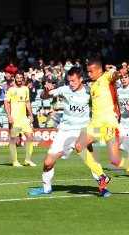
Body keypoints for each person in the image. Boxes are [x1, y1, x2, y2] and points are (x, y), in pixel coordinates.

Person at [28, 66, 111, 197]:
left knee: (92, 162)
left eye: (73, 81)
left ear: (81, 79)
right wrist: (45, 90)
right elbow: (44, 96)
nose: (71, 84)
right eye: (69, 81)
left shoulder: (89, 92)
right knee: (48, 162)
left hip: (83, 131)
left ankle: (103, 188)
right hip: (64, 132)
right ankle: (46, 189)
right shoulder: (64, 89)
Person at [75, 59, 129, 196]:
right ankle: (102, 176)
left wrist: (118, 72)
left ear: (99, 70)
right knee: (78, 146)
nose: (89, 73)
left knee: (115, 160)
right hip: (95, 124)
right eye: (87, 71)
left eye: (91, 71)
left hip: (109, 124)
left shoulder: (106, 76)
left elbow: (114, 75)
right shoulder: (93, 85)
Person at [4, 71, 36, 167]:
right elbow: (6, 103)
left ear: (23, 78)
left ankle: (27, 160)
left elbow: (27, 102)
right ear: (15, 78)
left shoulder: (26, 89)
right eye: (17, 77)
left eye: (20, 77)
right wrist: (9, 116)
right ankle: (15, 161)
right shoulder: (10, 90)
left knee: (30, 137)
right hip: (15, 118)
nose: (19, 79)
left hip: (24, 119)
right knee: (14, 140)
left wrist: (31, 115)